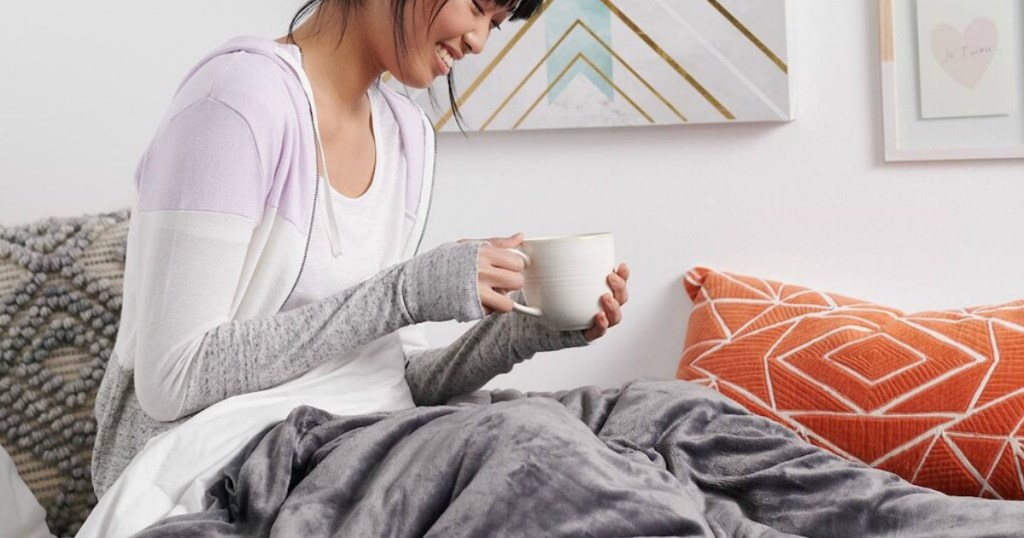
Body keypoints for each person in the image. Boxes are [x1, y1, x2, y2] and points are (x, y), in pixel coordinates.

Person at [85, 0, 630, 530]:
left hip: (363, 438)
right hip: (211, 462)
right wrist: (406, 293)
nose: (479, 40)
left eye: (496, 22)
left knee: (616, 440)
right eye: (477, 6)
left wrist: (522, 332)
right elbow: (172, 379)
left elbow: (387, 377)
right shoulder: (235, 101)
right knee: (542, 464)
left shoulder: (407, 136)